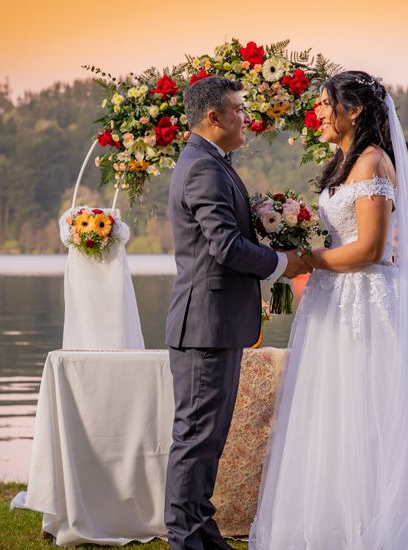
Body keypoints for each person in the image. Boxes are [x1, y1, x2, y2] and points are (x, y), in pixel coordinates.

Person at [249, 71, 408, 549]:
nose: (317, 113)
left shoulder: (373, 163)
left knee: (366, 406)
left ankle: (383, 523)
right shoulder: (345, 161)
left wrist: (303, 260)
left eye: (324, 104)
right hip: (336, 300)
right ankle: (343, 522)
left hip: (367, 302)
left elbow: (372, 250)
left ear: (353, 110)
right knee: (334, 409)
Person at [164, 76, 311, 550]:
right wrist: (282, 263)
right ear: (214, 117)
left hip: (214, 323)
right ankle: (185, 539)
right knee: (196, 439)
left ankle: (202, 532)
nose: (247, 118)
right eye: (240, 110)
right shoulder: (203, 168)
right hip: (204, 325)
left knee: (207, 439)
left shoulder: (210, 161)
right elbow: (225, 247)